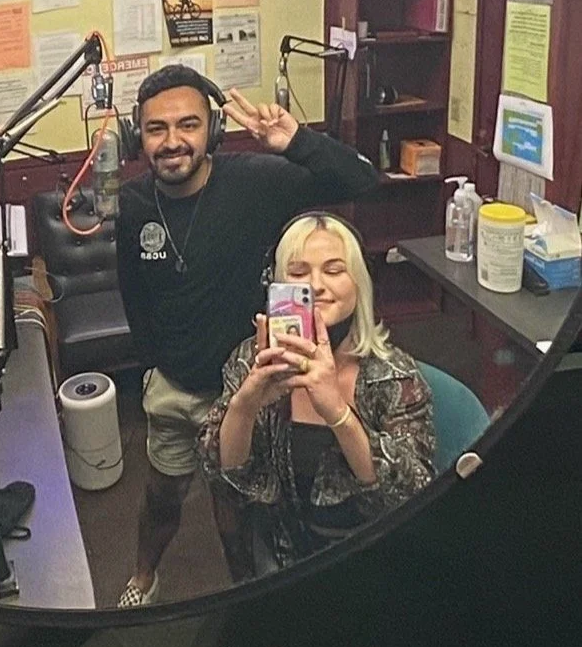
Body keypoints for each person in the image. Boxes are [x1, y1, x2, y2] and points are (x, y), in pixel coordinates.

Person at [115, 64, 378, 606]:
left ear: (211, 130)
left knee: (236, 508)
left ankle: (244, 596)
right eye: (156, 129)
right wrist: (154, 363)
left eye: (187, 125)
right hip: (174, 386)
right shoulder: (135, 202)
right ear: (138, 137)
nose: (171, 142)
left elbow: (362, 180)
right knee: (161, 495)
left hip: (247, 387)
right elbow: (133, 293)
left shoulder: (258, 179)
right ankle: (144, 576)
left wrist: (296, 141)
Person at [198, 212, 436, 572]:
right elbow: (227, 482)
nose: (316, 286)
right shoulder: (252, 359)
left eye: (334, 270)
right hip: (286, 561)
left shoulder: (392, 375)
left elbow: (411, 497)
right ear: (276, 285)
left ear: (359, 283)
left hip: (380, 560)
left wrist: (338, 412)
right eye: (298, 273)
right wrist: (245, 403)